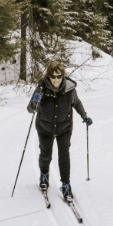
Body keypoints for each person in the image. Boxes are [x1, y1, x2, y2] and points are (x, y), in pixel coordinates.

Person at [27, 61, 92, 203]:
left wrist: (84, 116)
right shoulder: (41, 88)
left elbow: (77, 103)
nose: (56, 79)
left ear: (63, 75)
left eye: (59, 76)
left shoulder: (69, 89)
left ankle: (66, 184)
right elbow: (31, 109)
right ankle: (44, 175)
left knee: (64, 155)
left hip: (64, 128)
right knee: (45, 153)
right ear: (48, 76)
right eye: (53, 76)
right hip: (45, 127)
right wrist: (34, 102)